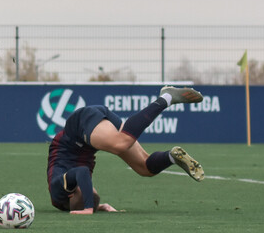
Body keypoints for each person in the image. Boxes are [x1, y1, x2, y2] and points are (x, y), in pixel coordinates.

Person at [47, 86, 206, 215]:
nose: (90, 186)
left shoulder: (59, 189)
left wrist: (89, 207)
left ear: (71, 193)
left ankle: (166, 98)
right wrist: (97, 206)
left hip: (79, 126)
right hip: (90, 136)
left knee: (121, 143)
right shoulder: (68, 202)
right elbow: (80, 195)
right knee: (145, 168)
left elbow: (81, 172)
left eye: (87, 189)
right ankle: (171, 157)